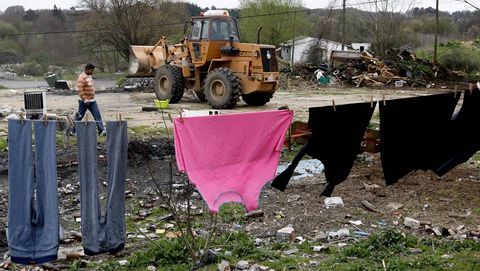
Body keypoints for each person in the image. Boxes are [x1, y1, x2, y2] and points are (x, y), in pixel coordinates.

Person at [71, 63, 105, 136]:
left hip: (92, 101)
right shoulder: (82, 77)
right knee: (79, 116)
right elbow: (79, 89)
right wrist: (84, 99)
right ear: (87, 69)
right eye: (91, 70)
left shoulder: (89, 76)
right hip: (84, 101)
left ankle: (101, 130)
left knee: (97, 115)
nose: (92, 72)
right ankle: (73, 130)